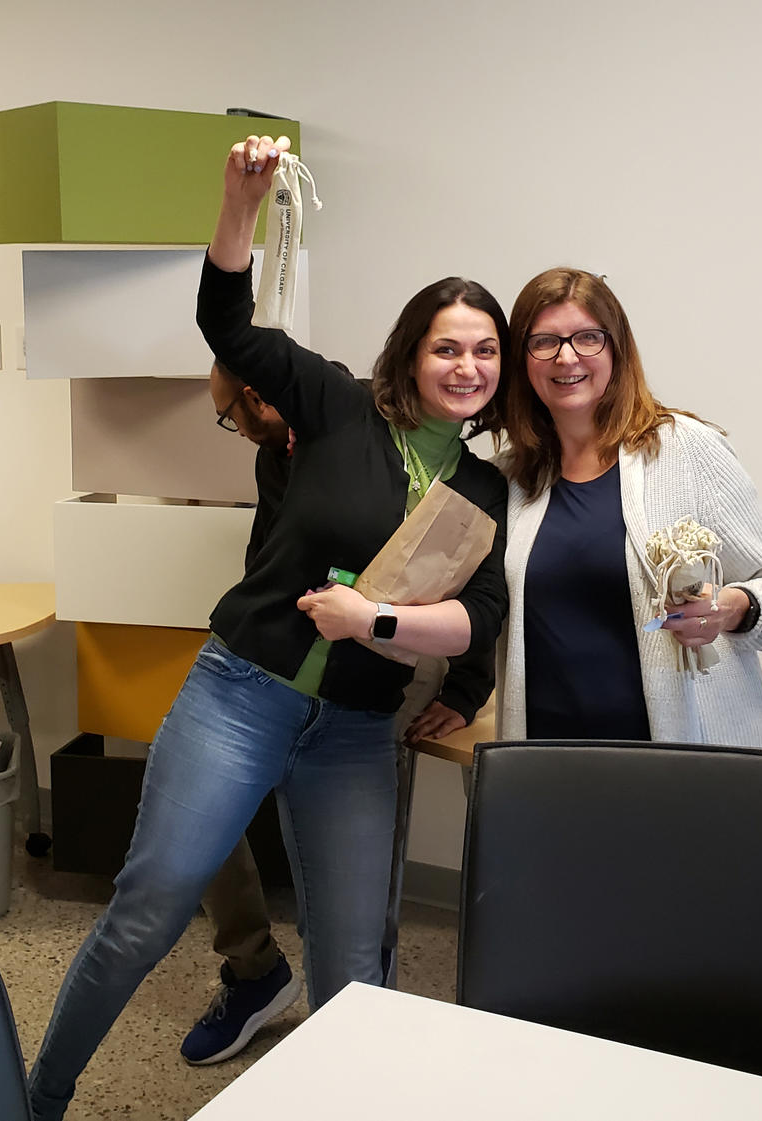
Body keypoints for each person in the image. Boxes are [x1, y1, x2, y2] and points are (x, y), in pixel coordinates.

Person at [27, 134, 509, 1120]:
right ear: (411, 353)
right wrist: (238, 203)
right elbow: (225, 321)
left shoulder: (483, 482)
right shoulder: (335, 405)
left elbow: (479, 615)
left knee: (354, 965)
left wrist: (410, 649)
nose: (467, 364)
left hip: (356, 729)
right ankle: (37, 1094)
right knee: (150, 907)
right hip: (241, 693)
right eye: (447, 345)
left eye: (485, 349)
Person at [182, 361, 494, 1067]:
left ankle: (361, 1003)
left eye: (234, 415)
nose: (238, 430)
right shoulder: (274, 455)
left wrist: (467, 687)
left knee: (358, 812)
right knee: (190, 787)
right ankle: (254, 967)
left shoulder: (369, 424)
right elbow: (267, 564)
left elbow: (468, 557)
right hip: (307, 638)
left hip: (400, 647)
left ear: (260, 395)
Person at [497, 267, 762, 744]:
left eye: (587, 338)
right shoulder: (510, 478)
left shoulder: (686, 449)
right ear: (522, 359)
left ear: (617, 347)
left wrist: (729, 609)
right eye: (544, 342)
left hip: (677, 763)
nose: (567, 356)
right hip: (546, 761)